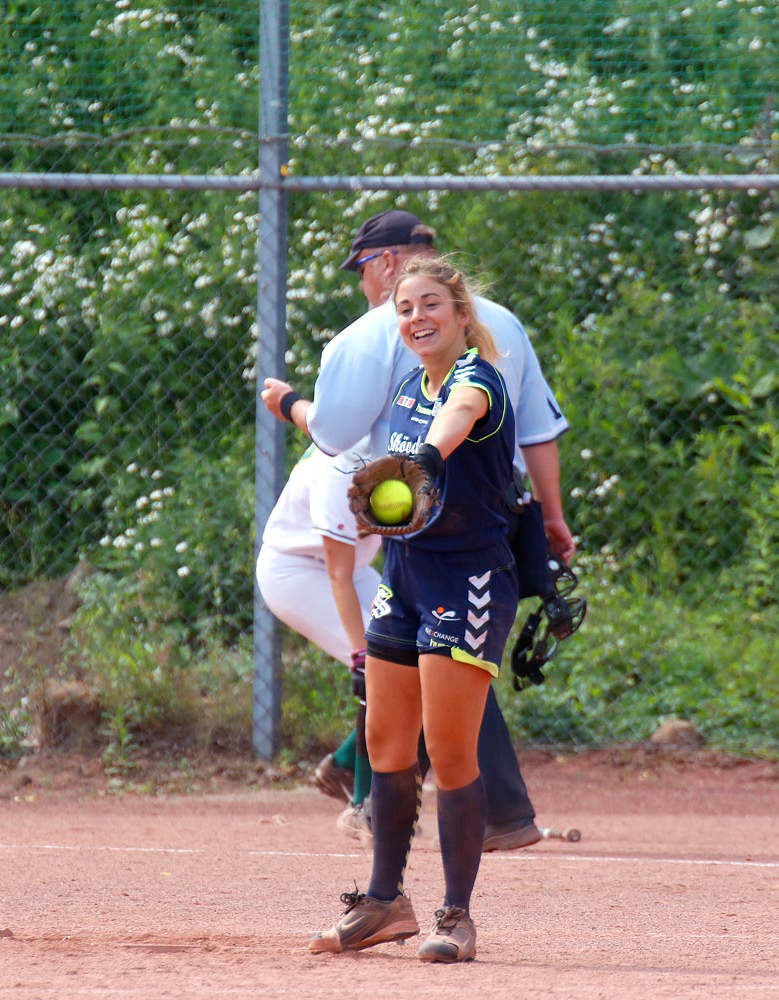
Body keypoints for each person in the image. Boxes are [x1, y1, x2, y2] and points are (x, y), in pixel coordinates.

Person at [261, 208, 573, 852]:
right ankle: (400, 820)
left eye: (365, 270)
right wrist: (550, 517)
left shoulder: (370, 343)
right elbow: (537, 432)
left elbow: (336, 436)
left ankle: (456, 818)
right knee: (423, 669)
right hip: (470, 521)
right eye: (408, 308)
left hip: (433, 534)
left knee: (443, 670)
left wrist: (290, 404)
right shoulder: (498, 323)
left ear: (385, 265)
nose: (408, 316)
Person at [309, 254, 518, 962]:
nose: (416, 318)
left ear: (462, 316)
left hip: (469, 581)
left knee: (452, 753)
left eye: (431, 304)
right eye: (404, 308)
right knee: (385, 745)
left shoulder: (474, 381)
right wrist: (372, 512)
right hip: (407, 577)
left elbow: (454, 424)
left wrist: (424, 460)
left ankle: (456, 916)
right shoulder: (405, 388)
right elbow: (386, 490)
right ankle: (383, 901)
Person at [254, 444, 378, 837]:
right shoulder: (341, 466)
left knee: (419, 656)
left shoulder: (398, 431)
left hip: (353, 567)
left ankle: (343, 763)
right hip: (298, 571)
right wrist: (362, 655)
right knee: (385, 666)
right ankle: (363, 806)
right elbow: (337, 576)